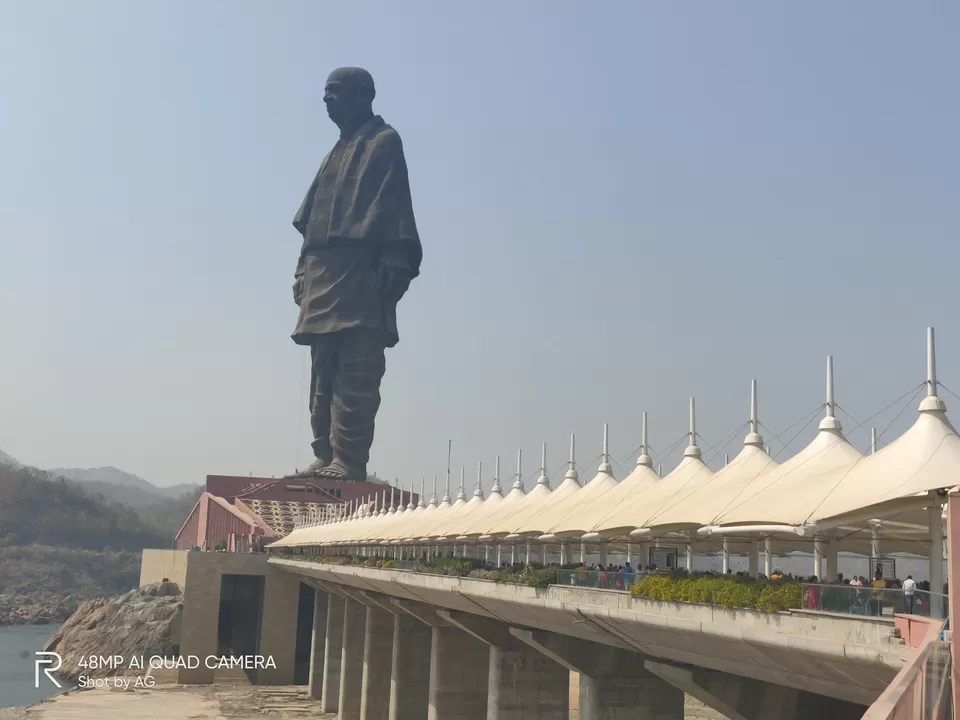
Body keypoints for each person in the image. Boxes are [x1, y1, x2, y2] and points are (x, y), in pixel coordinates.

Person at [289, 67, 422, 480]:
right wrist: (302, 271)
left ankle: (348, 459)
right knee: (322, 371)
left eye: (335, 92)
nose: (326, 100)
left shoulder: (384, 141)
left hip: (361, 271)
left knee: (357, 367)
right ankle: (324, 451)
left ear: (363, 94)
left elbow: (395, 206)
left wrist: (395, 259)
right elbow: (311, 223)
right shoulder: (335, 152)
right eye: (325, 93)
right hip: (322, 273)